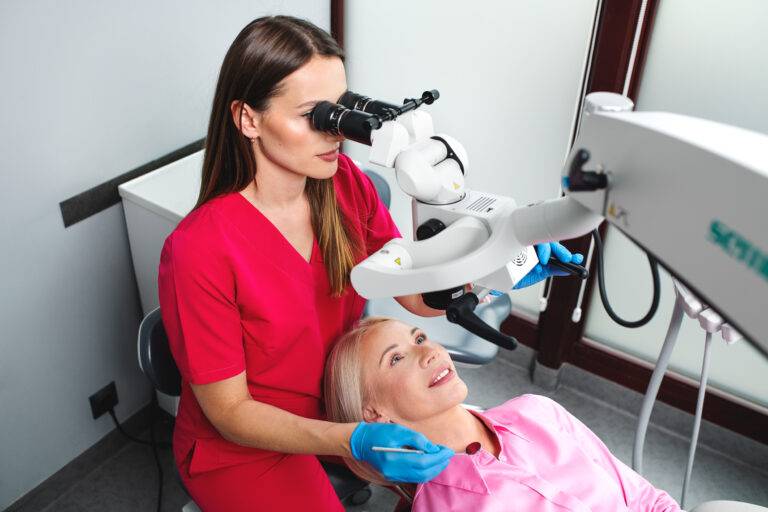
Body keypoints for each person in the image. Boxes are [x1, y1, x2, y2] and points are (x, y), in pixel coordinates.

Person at [158, 14, 583, 512]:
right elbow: (230, 412)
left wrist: (491, 274)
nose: (335, 133)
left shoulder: (344, 185)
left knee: (475, 477)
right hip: (244, 443)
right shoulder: (199, 249)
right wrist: (351, 439)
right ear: (248, 119)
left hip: (341, 400)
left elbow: (413, 292)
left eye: (338, 110)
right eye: (312, 115)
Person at [324, 316, 684, 512]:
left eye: (419, 338)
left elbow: (645, 498)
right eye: (396, 358)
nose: (429, 352)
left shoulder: (537, 410)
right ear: (374, 412)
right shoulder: (442, 507)